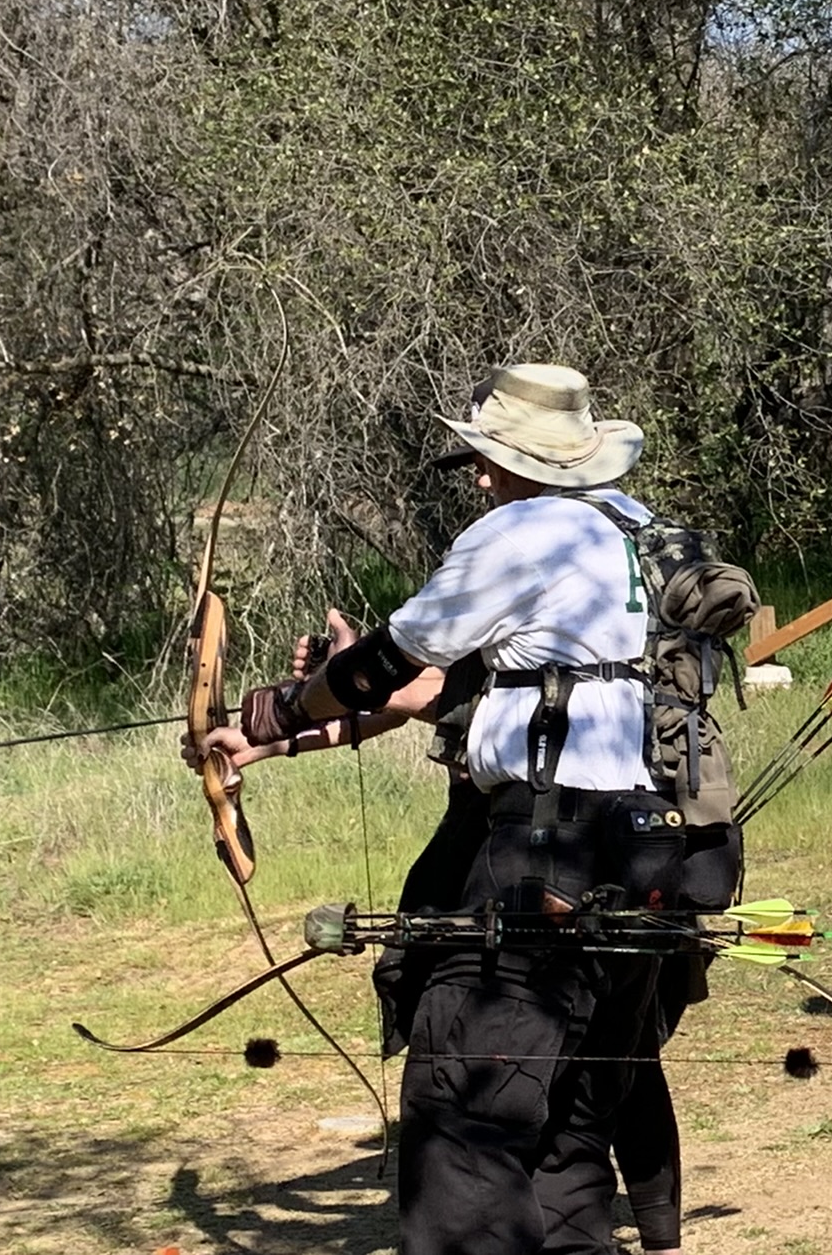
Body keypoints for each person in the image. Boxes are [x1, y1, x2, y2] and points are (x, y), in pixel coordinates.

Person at [227, 363, 691, 1255]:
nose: (480, 475)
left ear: (535, 462)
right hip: (645, 842)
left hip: (548, 843)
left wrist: (283, 709)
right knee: (567, 1129)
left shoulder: (524, 530)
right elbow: (465, 675)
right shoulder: (630, 525)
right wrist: (291, 731)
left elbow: (389, 667)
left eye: (492, 456)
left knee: (465, 1113)